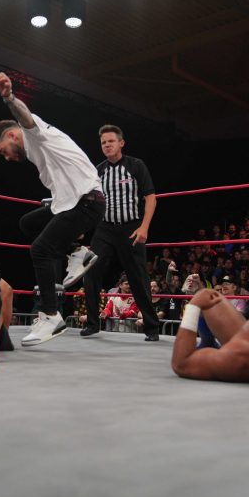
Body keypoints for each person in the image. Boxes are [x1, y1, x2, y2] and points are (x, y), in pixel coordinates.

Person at [0, 72, 104, 346]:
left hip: (86, 203)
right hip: (75, 201)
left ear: (13, 135)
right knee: (28, 223)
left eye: (4, 150)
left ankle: (50, 315)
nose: (6, 158)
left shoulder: (34, 133)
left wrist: (9, 97)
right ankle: (78, 252)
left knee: (40, 249)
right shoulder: (39, 150)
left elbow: (25, 117)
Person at [82, 124, 159, 341]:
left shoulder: (136, 165)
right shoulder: (98, 170)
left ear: (121, 143)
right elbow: (89, 200)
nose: (107, 145)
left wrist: (144, 227)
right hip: (105, 228)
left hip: (131, 227)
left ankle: (152, 327)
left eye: (111, 141)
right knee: (90, 271)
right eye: (103, 143)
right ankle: (92, 323)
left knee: (138, 277)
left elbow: (151, 197)